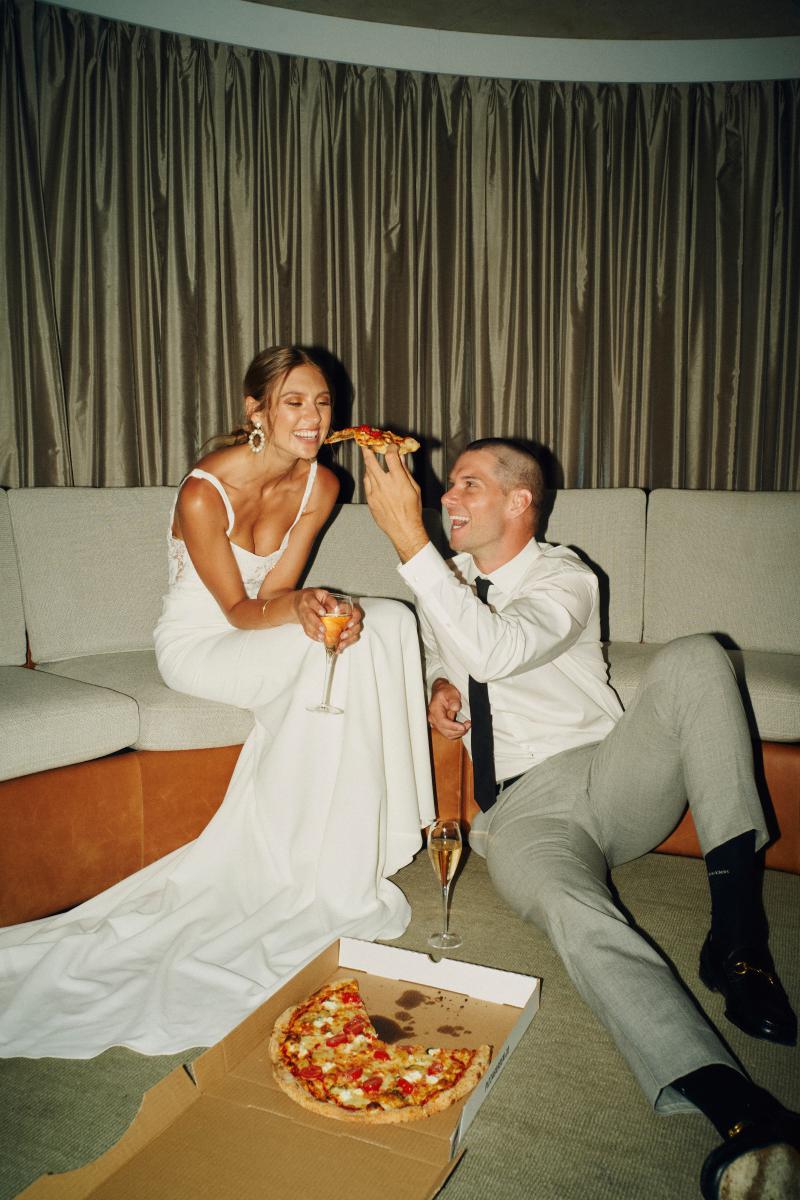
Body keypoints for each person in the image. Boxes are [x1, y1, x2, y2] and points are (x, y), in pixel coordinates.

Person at [360, 436, 799, 1200]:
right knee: (571, 907)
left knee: (699, 655)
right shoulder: (449, 582)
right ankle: (736, 1106)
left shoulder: (565, 575)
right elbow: (448, 652)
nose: (447, 498)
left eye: (467, 484)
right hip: (522, 811)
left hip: (610, 773)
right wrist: (437, 687)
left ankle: (739, 940)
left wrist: (407, 539)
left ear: (519, 501)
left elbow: (496, 649)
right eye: (448, 487)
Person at [0, 345, 434, 1060]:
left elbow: (275, 594)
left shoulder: (323, 483)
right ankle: (298, 860)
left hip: (260, 626)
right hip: (201, 644)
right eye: (294, 402)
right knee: (334, 639)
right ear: (255, 410)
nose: (313, 417)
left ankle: (360, 839)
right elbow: (236, 609)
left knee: (384, 620)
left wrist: (308, 605)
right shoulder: (204, 491)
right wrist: (306, 608)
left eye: (323, 402)